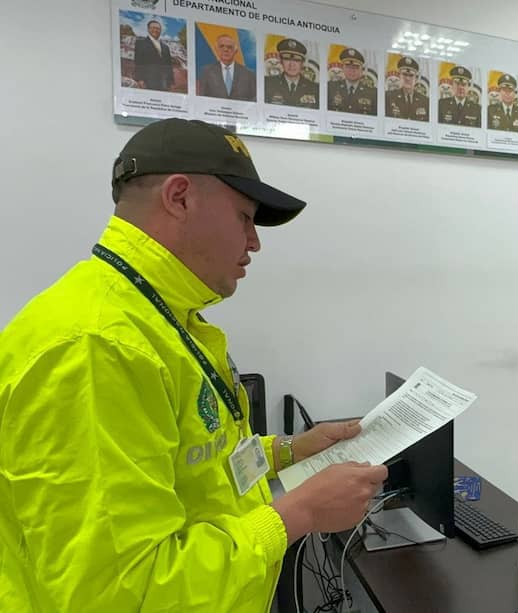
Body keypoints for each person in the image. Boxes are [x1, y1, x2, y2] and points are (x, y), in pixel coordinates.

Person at [0, 118, 388, 612]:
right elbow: (126, 593)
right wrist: (300, 511)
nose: (254, 243)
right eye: (245, 218)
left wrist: (288, 451)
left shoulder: (159, 317)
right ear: (179, 197)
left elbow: (190, 458)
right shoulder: (98, 347)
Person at [198, 33, 257, 101]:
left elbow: (254, 100)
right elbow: (202, 99)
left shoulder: (249, 74)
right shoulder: (206, 71)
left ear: (235, 50)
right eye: (221, 46)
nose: (225, 49)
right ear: (216, 49)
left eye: (229, 47)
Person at [264, 38, 319, 109]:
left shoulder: (315, 88)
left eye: (297, 60)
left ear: (302, 63)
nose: (292, 64)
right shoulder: (268, 83)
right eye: (287, 59)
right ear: (281, 60)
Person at [327, 47, 377, 115]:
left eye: (355, 67)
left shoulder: (373, 93)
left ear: (362, 70)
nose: (352, 70)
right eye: (348, 67)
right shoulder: (330, 87)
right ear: (343, 68)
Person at [133, 19, 174, 91]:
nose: (155, 30)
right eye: (153, 28)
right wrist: (140, 79)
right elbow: (138, 62)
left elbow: (169, 65)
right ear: (148, 29)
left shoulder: (165, 47)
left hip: (164, 82)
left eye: (158, 28)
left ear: (160, 31)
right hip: (147, 81)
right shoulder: (140, 43)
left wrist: (171, 82)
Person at [384, 55, 428, 122]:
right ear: (399, 76)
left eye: (411, 75)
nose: (407, 78)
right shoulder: (388, 97)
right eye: (404, 74)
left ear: (416, 78)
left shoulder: (425, 101)